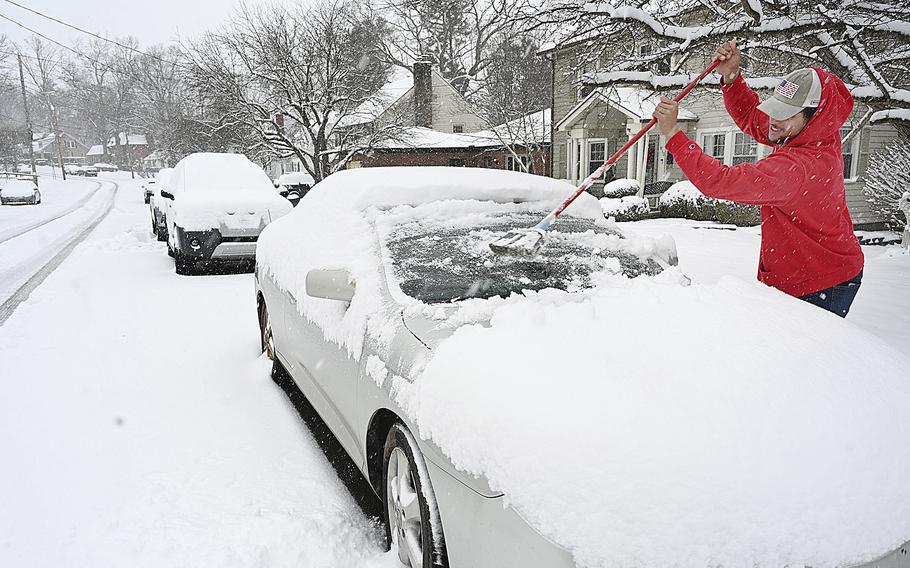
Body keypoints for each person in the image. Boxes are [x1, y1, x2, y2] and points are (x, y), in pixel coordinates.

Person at [652, 39, 865, 318]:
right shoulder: (810, 132)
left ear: (813, 115)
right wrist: (731, 76)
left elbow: (720, 181)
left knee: (800, 354)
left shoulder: (798, 168)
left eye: (785, 114)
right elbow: (754, 117)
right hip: (818, 265)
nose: (773, 120)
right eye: (775, 108)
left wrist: (673, 136)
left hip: (820, 280)